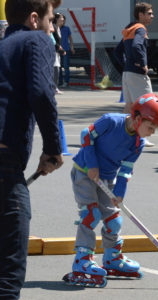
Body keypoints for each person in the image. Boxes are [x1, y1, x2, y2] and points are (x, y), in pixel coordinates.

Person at [62, 93, 158, 287]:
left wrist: (119, 193)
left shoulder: (138, 144)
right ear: (137, 118)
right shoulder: (111, 121)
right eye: (150, 127)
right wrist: (92, 164)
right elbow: (86, 135)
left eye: (155, 129)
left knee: (114, 219)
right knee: (91, 215)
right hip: (84, 173)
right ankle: (82, 260)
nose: (152, 132)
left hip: (107, 180)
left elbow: (126, 171)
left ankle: (112, 258)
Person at [0, 0, 64, 299]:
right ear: (35, 18)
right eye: (51, 21)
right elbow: (41, 92)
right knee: (8, 276)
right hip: (4, 164)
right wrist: (52, 148)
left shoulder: (4, 48)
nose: (53, 29)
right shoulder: (36, 38)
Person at [114, 2, 155, 146]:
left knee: (130, 106)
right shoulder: (140, 29)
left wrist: (126, 65)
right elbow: (137, 46)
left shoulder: (129, 29)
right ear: (141, 15)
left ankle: (121, 134)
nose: (152, 16)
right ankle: (141, 136)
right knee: (147, 105)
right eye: (149, 13)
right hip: (137, 74)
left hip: (128, 73)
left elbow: (117, 52)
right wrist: (142, 63)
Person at [59, 14, 75, 87]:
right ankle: (59, 82)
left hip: (66, 49)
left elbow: (70, 39)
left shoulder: (67, 28)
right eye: (61, 20)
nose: (62, 21)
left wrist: (72, 47)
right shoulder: (56, 28)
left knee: (66, 66)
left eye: (63, 20)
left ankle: (66, 82)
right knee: (59, 67)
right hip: (58, 50)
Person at [52, 12, 65, 94]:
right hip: (53, 51)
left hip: (57, 52)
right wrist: (59, 47)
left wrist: (60, 48)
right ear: (56, 19)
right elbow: (52, 39)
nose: (63, 19)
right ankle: (54, 88)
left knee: (57, 69)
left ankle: (55, 87)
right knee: (55, 69)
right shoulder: (53, 27)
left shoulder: (59, 28)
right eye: (61, 17)